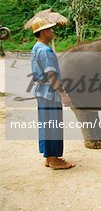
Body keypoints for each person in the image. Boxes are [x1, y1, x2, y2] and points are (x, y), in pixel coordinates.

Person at [31, 17, 75, 170]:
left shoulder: (36, 47)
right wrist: (63, 95)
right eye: (50, 29)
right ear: (43, 32)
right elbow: (51, 75)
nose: (52, 31)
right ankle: (54, 159)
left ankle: (48, 157)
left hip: (42, 92)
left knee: (47, 124)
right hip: (50, 93)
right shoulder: (46, 51)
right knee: (54, 125)